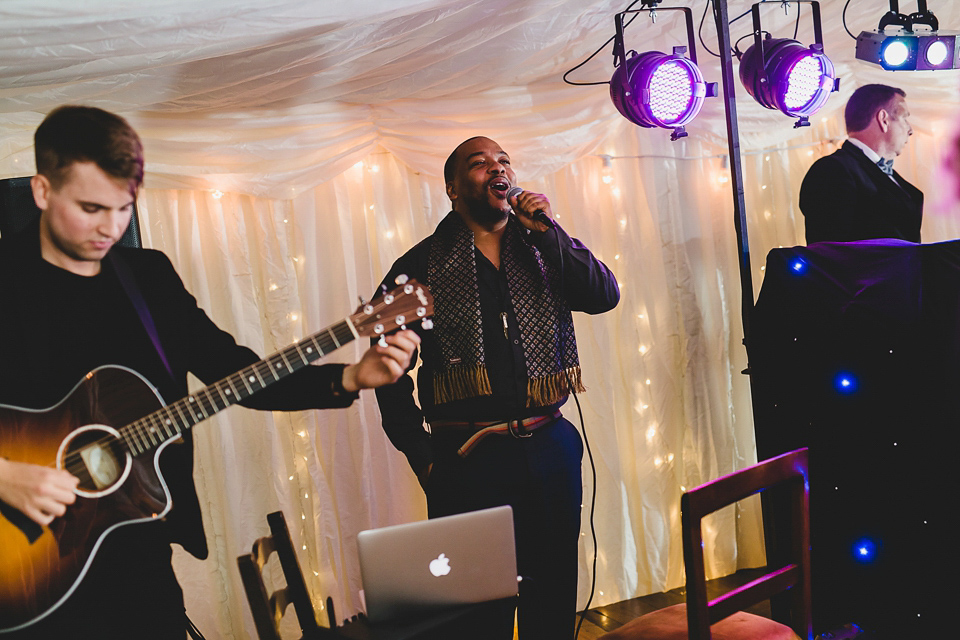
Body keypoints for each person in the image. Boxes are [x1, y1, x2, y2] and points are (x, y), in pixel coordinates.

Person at [0, 105, 419, 639]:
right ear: (41, 191)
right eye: (90, 207)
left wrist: (348, 379)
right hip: (24, 568)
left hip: (137, 549)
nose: (110, 227)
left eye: (124, 208)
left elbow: (234, 372)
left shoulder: (146, 278)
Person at [373, 136, 619, 639]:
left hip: (549, 448)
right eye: (479, 163)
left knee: (550, 602)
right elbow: (385, 367)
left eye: (503, 160)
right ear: (452, 188)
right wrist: (425, 458)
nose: (496, 168)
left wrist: (552, 234)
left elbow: (603, 295)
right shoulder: (418, 266)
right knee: (477, 613)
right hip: (468, 459)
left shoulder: (544, 247)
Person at [799, 83, 923, 244]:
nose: (910, 130)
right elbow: (831, 252)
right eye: (904, 118)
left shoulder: (877, 172)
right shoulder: (832, 171)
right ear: (883, 119)